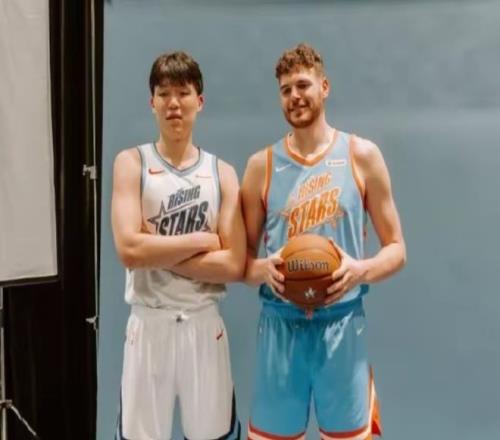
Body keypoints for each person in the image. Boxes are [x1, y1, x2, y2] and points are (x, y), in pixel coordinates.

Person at [241, 43, 406, 440]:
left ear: (325, 87)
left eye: (303, 85)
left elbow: (397, 249)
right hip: (280, 326)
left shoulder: (361, 155)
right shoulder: (261, 165)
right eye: (285, 90)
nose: (294, 96)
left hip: (342, 324)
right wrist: (261, 269)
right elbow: (239, 261)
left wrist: (361, 270)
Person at [111, 51, 244, 440]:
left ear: (199, 102)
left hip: (203, 322)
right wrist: (203, 241)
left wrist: (155, 249)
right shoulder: (132, 163)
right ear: (151, 102)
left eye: (183, 93)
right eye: (164, 93)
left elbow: (234, 264)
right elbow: (129, 251)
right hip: (148, 322)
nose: (173, 103)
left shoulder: (222, 173)